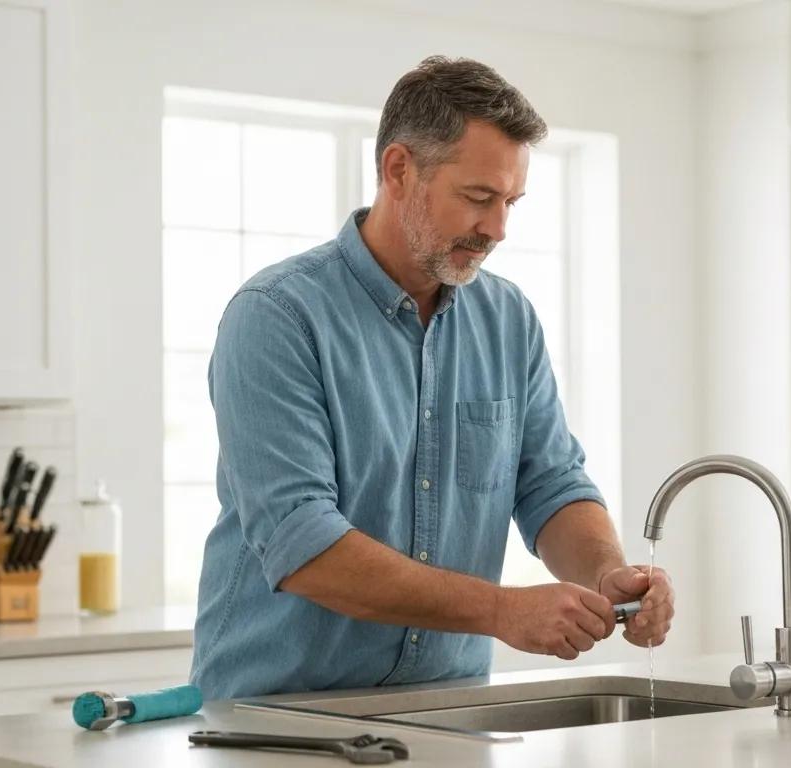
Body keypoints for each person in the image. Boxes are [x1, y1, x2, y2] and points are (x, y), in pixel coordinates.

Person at [191, 55, 674, 699]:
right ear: (398, 170)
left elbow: (551, 484)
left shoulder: (508, 319)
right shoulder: (277, 317)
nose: (497, 229)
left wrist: (606, 572)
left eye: (510, 202)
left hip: (449, 708)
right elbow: (302, 543)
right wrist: (503, 610)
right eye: (477, 198)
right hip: (279, 717)